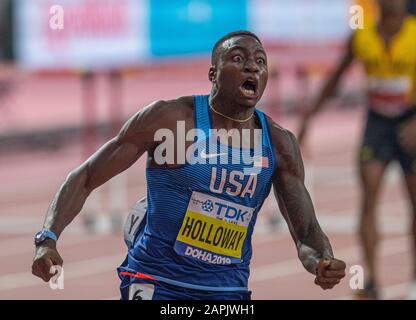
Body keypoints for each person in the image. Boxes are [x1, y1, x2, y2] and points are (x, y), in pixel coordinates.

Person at [32, 30, 346, 300]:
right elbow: (87, 175)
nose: (252, 65)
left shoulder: (279, 144)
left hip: (226, 289)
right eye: (238, 58)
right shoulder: (169, 120)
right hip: (155, 280)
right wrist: (47, 238)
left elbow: (305, 232)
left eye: (260, 61)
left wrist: (321, 261)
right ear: (213, 74)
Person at [298, 0, 416, 299]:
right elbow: (335, 79)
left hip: (410, 123)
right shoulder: (361, 36)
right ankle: (373, 281)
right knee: (368, 200)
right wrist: (309, 115)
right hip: (377, 125)